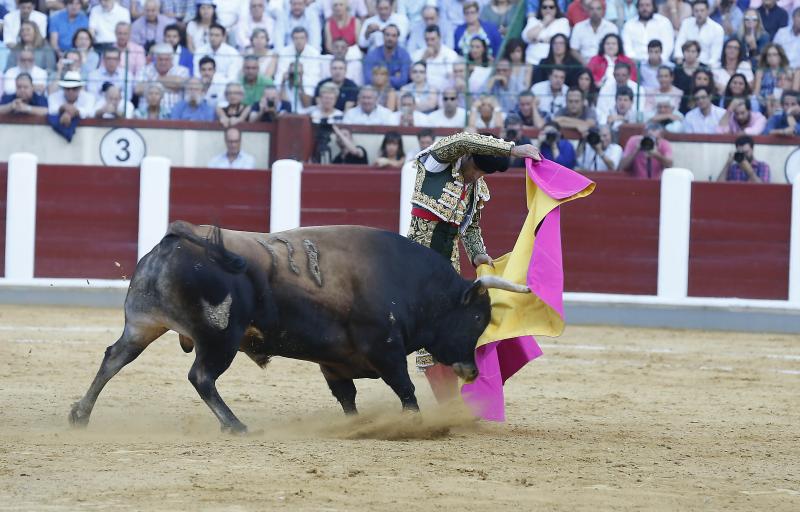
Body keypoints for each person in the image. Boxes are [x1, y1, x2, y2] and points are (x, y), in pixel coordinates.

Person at [407, 131, 542, 402]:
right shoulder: (439, 163)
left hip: (448, 267)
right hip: (414, 261)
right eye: (475, 170)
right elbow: (462, 139)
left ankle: (448, 400)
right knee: (426, 327)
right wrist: (512, 149)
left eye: (482, 174)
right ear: (467, 157)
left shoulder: (476, 186)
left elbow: (471, 227)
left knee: (449, 328)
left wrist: (479, 253)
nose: (475, 177)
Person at [135, 42, 190, 112]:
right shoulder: (145, 69)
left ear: (172, 59)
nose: (163, 62)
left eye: (166, 59)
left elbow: (179, 84)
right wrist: (169, 84)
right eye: (160, 59)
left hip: (173, 113)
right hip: (147, 114)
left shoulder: (181, 70)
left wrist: (153, 81)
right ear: (155, 59)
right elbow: (138, 89)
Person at [673, 0, 725, 69]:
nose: (699, 14)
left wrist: (707, 68)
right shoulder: (686, 23)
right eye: (696, 11)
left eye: (702, 10)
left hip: (705, 65)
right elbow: (679, 43)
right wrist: (679, 58)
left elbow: (715, 55)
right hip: (686, 63)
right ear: (693, 12)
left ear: (707, 11)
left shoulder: (717, 29)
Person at [410, 25, 459, 92]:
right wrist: (424, 58)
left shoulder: (451, 55)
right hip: (424, 93)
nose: (429, 43)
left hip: (445, 93)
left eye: (433, 39)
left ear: (439, 38)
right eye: (427, 40)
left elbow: (453, 77)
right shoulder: (417, 55)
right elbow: (413, 76)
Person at [363, 24, 411, 90]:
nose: (390, 38)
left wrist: (379, 78)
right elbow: (368, 79)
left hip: (396, 91)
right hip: (375, 91)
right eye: (387, 35)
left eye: (393, 36)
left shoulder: (404, 55)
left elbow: (403, 80)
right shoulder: (372, 54)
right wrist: (394, 77)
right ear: (383, 36)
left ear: (398, 38)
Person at [570, 0, 619, 65]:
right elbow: (573, 50)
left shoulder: (611, 28)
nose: (595, 12)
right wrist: (585, 64)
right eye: (592, 9)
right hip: (584, 64)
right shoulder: (578, 27)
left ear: (603, 11)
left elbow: (616, 49)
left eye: (598, 9)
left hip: (606, 64)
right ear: (587, 11)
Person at [522, 0, 570, 65]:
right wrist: (543, 23)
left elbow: (562, 39)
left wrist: (538, 39)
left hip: (552, 62)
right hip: (532, 60)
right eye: (544, 7)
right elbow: (526, 37)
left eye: (551, 7)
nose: (548, 10)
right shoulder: (533, 20)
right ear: (540, 9)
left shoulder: (562, 21)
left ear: (556, 9)